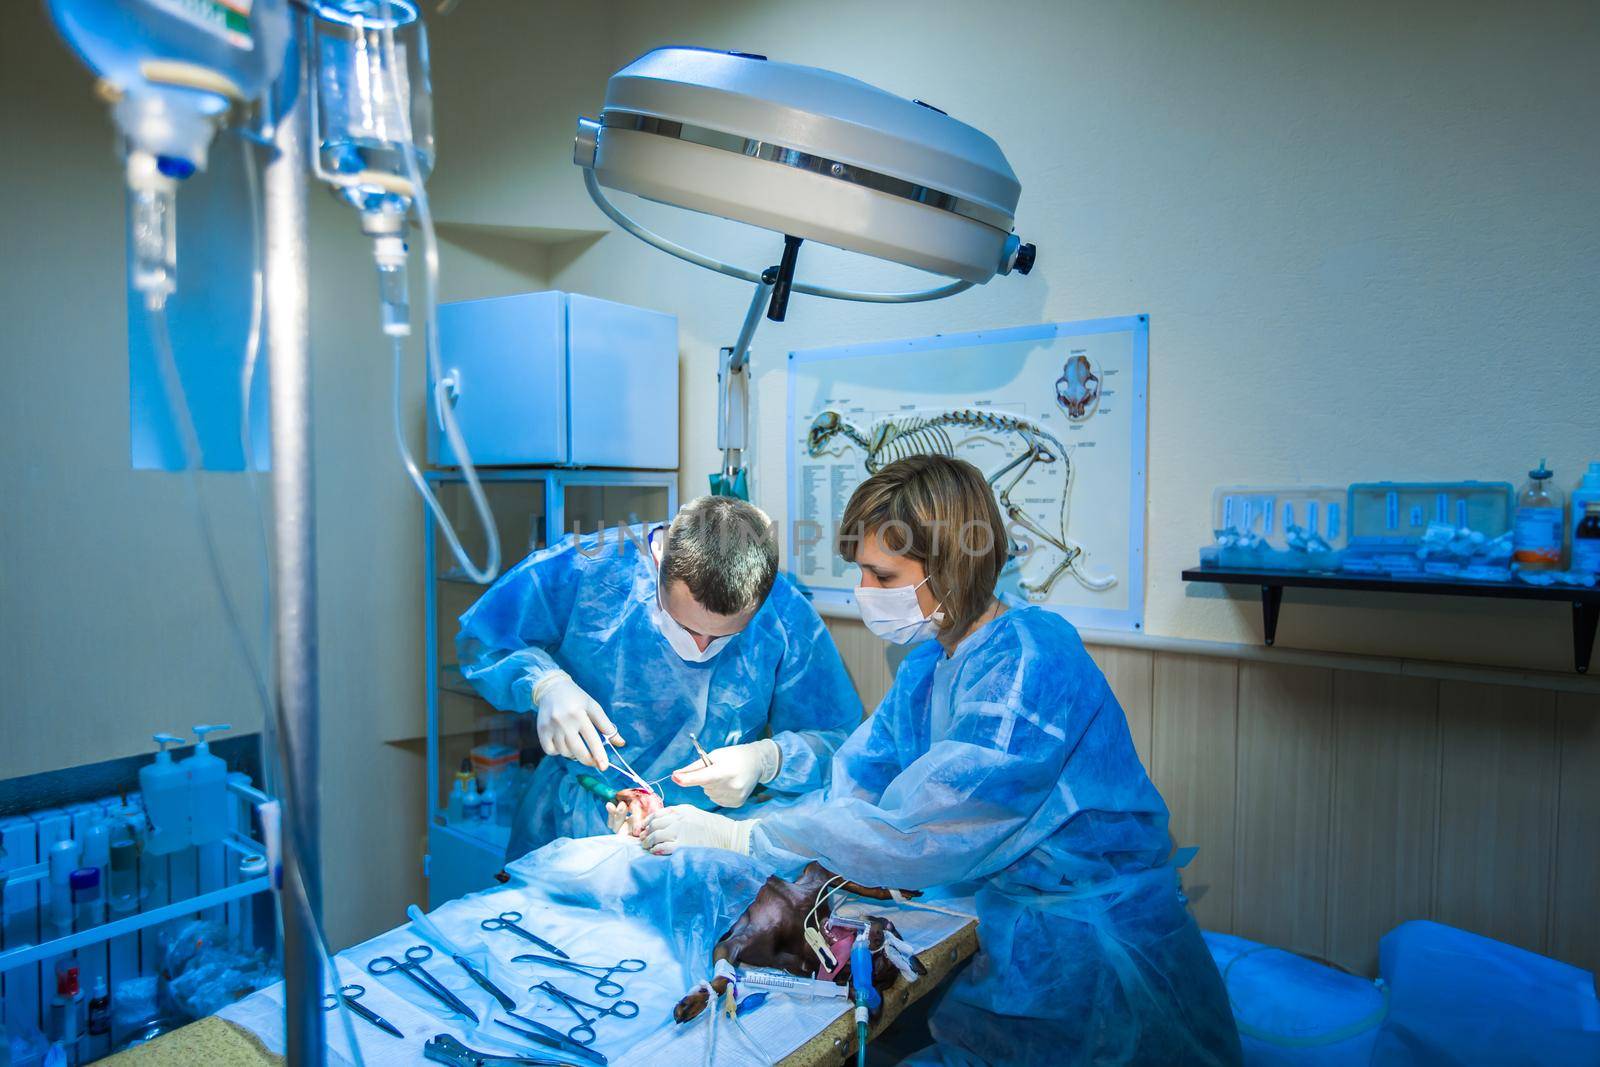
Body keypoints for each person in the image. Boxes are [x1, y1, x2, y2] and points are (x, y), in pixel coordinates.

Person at [641, 456, 1242, 1066]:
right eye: (860, 572)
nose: (864, 593)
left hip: (1095, 968)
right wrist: (781, 796)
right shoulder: (934, 662)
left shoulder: (1030, 667)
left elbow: (920, 829)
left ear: (951, 568)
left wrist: (750, 838)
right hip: (1018, 935)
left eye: (882, 575)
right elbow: (864, 778)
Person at [457, 496, 863, 861]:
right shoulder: (590, 568)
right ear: (659, 562)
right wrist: (545, 684)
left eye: (725, 636)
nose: (702, 647)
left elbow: (838, 741)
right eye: (686, 628)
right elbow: (484, 641)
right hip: (576, 826)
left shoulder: (783, 610)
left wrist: (767, 761)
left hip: (706, 841)